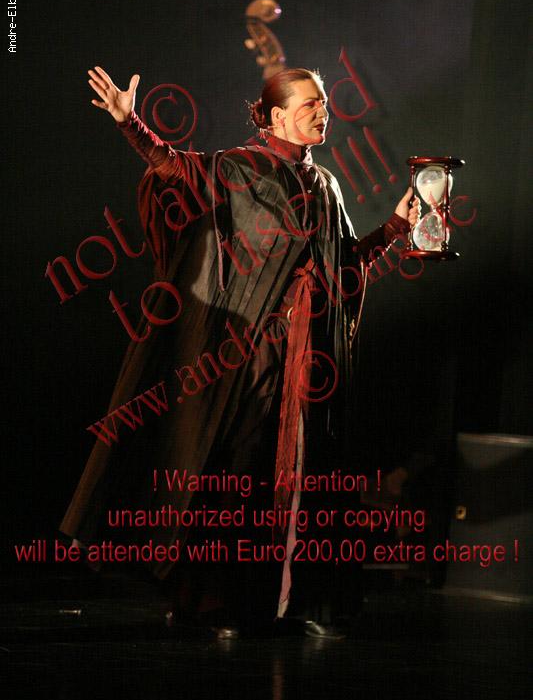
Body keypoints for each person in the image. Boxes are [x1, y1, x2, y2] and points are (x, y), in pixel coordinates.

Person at [60, 65, 420, 638]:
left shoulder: (325, 185)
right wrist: (131, 124)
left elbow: (346, 264)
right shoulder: (240, 168)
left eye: (324, 104)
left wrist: (397, 228)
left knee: (298, 474)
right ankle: (206, 602)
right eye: (310, 104)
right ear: (277, 115)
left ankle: (279, 604)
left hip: (306, 360)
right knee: (236, 469)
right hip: (247, 357)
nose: (322, 112)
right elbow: (174, 168)